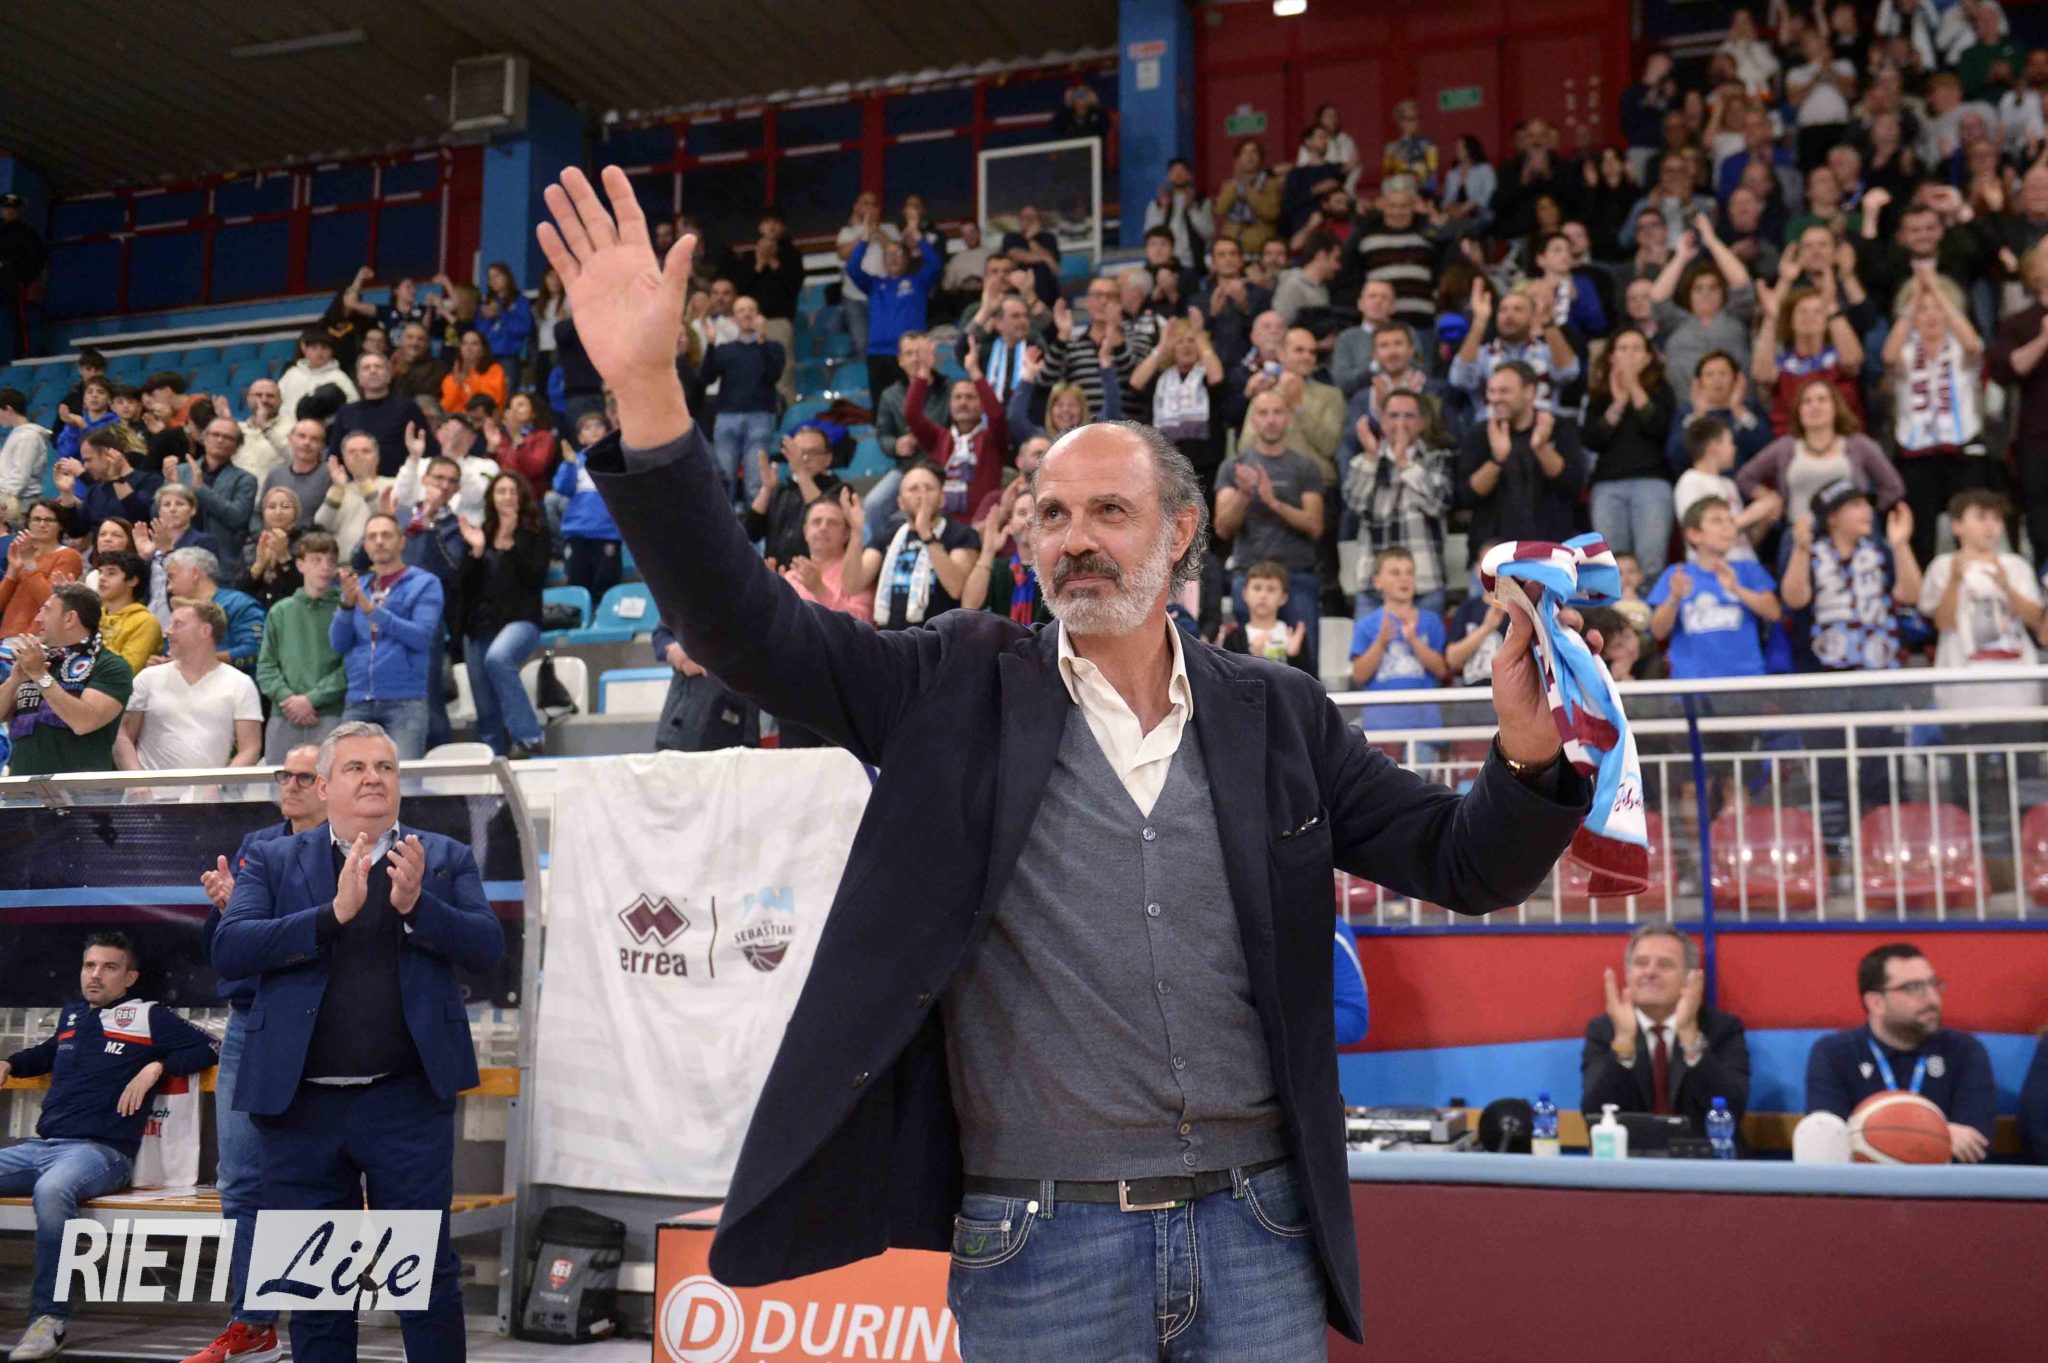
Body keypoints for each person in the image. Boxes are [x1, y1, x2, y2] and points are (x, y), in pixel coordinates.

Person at [535, 167, 1591, 1353]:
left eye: (1108, 513)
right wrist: (647, 391)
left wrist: (1524, 748)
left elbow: (1464, 862)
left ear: (1180, 534)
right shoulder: (953, 683)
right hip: (1038, 1246)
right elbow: (744, 629)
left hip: (1259, 1233)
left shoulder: (1278, 714)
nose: (1073, 539)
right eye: (1049, 514)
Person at [213, 722, 506, 1363]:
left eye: (385, 767)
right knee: (314, 1286)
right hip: (299, 1108)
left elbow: (488, 948)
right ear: (323, 786)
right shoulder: (273, 858)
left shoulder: (443, 857)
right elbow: (231, 948)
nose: (374, 777)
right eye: (355, 768)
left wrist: (417, 905)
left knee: (423, 1276)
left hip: (406, 1105)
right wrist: (331, 916)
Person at [0, 933, 219, 1362]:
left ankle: (48, 1319)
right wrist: (9, 1062)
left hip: (100, 1153)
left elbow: (210, 1047)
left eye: (109, 967)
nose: (95, 975)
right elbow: (47, 1053)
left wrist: (157, 1066)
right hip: (42, 1146)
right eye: (90, 966)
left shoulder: (148, 1015)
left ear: (129, 977)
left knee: (52, 1191)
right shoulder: (74, 1016)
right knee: (47, 1183)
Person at [189, 744, 324, 1363]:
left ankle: (323, 1325)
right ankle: (252, 1323)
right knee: (240, 1180)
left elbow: (322, 937)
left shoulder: (349, 851)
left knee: (317, 1179)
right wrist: (227, 910)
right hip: (252, 1020)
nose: (289, 785)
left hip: (322, 1027)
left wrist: (255, 925)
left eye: (303, 776)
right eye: (283, 774)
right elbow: (224, 948)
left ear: (329, 785)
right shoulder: (258, 845)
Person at [1805, 943, 1995, 1162]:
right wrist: (1937, 1136)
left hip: (1943, 1180)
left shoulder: (1965, 1051)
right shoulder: (1834, 1053)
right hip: (1862, 1180)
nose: (1932, 998)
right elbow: (1828, 1139)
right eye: (1914, 988)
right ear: (1876, 1003)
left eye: (1934, 984)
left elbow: (1974, 1143)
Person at [1580, 923, 1750, 1140]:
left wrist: (1690, 1038)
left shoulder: (1722, 1029)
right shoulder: (1604, 1030)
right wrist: (1623, 1043)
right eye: (1641, 963)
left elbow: (1732, 1111)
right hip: (1630, 1158)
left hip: (1704, 1157)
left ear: (1688, 979)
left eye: (1665, 964)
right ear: (1628, 975)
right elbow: (1593, 1116)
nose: (1650, 972)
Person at [1884, 261, 1992, 567]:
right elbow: (1888, 357)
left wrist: (1935, 290)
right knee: (1921, 538)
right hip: (1916, 454)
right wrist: (1915, 298)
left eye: (1938, 309)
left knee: (1970, 529)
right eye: (1922, 310)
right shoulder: (1906, 352)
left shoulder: (1960, 349)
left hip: (1962, 450)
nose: (1931, 315)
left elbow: (1973, 345)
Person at [1217, 389, 1325, 666]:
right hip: (1249, 576)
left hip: (1296, 575)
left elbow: (1315, 526)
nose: (1271, 419)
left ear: (1288, 418)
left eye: (1278, 412)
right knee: (1243, 666)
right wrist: (1243, 494)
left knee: (1306, 666)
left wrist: (1273, 502)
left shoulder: (1306, 467)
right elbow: (1222, 528)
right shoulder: (1233, 468)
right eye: (1263, 413)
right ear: (1253, 420)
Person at [331, 513, 444, 758]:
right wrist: (347, 606)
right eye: (372, 536)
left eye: (386, 535)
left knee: (403, 777)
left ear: (401, 541)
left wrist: (373, 611)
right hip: (358, 699)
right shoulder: (359, 586)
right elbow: (338, 643)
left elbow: (421, 637)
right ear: (365, 545)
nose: (379, 541)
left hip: (404, 701)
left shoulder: (424, 583)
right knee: (348, 774)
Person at [1920, 489, 2044, 711]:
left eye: (1996, 519)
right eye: (1981, 517)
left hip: (2018, 687)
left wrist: (2007, 588)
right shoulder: (1942, 566)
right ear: (1957, 525)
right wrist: (1954, 581)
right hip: (1962, 688)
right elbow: (1943, 623)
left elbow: (2036, 622)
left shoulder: (2016, 565)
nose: (1990, 526)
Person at [1779, 480, 1922, 673]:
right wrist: (1801, 550)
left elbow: (1910, 595)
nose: (1868, 510)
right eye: (1856, 505)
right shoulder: (1811, 554)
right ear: (1832, 517)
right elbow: (1795, 601)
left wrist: (1901, 545)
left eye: (1867, 504)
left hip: (1880, 668)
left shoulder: (1879, 551)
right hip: (1822, 671)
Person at [1735, 378, 1906, 537]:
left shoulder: (1858, 444)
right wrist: (1769, 498)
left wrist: (1864, 512)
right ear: (1798, 411)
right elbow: (1745, 478)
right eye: (1806, 401)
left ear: (1836, 407)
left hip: (1852, 537)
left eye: (1822, 400)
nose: (1814, 406)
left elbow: (1893, 488)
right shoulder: (1785, 447)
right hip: (1800, 535)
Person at [0, 583, 134, 774]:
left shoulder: (110, 666)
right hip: (22, 786)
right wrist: (14, 680)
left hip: (80, 788)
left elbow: (83, 722)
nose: (38, 618)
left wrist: (40, 676)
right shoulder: (41, 661)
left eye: (46, 611)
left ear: (70, 618)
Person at [114, 598, 262, 771]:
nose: (168, 631)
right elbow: (123, 735)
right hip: (149, 787)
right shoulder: (147, 678)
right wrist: (139, 780)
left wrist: (221, 783)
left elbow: (250, 748)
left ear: (205, 631)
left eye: (178, 624)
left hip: (211, 788)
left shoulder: (240, 684)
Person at [1648, 498, 1782, 679]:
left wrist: (1736, 589)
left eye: (1730, 520)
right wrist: (1674, 597)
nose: (1727, 527)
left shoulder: (1748, 569)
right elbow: (1658, 631)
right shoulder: (1677, 574)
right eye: (1716, 521)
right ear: (1694, 534)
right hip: (1692, 682)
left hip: (1745, 679)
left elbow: (1773, 612)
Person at [1345, 390, 1452, 616]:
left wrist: (1404, 464)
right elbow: (1356, 504)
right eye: (1393, 416)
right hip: (1373, 584)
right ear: (1382, 420)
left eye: (1408, 416)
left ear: (1422, 422)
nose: (1400, 423)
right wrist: (1372, 458)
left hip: (1425, 581)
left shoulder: (1437, 459)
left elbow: (1438, 503)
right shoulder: (1363, 462)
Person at [1455, 362, 1587, 545]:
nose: (1495, 399)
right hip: (1494, 550)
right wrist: (1497, 460)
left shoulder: (1560, 428)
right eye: (1491, 391)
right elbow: (1465, 496)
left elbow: (1573, 485)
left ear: (1529, 391)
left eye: (1504, 391)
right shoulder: (1479, 434)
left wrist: (1541, 448)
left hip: (1552, 547)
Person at [1583, 329, 1677, 577]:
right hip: (1607, 484)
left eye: (1636, 349)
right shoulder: (1600, 395)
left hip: (1652, 482)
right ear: (1611, 356)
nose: (1629, 355)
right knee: (1609, 564)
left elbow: (1660, 429)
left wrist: (1634, 388)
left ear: (1648, 357)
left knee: (1651, 560)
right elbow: (1591, 439)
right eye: (1623, 349)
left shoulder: (1661, 390)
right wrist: (1618, 403)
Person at [256, 532, 348, 763]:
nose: (325, 567)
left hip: (330, 713)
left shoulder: (346, 609)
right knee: (279, 780)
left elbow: (351, 666)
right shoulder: (280, 611)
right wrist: (288, 698)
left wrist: (312, 699)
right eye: (316, 560)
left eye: (331, 561)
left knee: (330, 778)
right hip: (284, 713)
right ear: (300, 565)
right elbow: (266, 666)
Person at [905, 336, 1010, 525]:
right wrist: (923, 372)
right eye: (958, 397)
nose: (963, 402)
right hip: (942, 525)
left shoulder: (992, 438)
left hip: (982, 525)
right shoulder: (938, 438)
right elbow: (911, 415)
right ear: (950, 404)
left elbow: (996, 416)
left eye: (970, 397)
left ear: (982, 405)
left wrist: (975, 372)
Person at [1348, 547, 1448, 735]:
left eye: (1409, 572)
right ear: (1377, 582)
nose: (1404, 579)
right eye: (1395, 573)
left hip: (1424, 726)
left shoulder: (1431, 621)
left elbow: (1442, 670)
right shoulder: (1366, 625)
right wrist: (1381, 642)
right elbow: (1359, 676)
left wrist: (1414, 640)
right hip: (1380, 728)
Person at [846, 209, 943, 399]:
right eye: (888, 254)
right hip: (878, 355)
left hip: (912, 354)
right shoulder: (874, 284)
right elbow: (853, 268)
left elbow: (935, 264)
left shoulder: (918, 282)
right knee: (882, 408)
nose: (893, 258)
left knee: (917, 405)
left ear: (907, 259)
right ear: (883, 260)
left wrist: (917, 236)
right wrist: (865, 238)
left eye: (898, 253)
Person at [701, 295, 786, 508]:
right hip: (726, 417)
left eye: (751, 310)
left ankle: (755, 525)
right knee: (723, 480)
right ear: (734, 318)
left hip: (760, 415)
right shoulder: (725, 350)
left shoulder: (773, 347)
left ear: (759, 315)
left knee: (755, 483)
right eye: (741, 310)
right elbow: (706, 377)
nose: (747, 314)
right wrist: (710, 344)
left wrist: (762, 339)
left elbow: (773, 374)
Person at [1673, 418, 1769, 560]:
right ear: (1714, 447)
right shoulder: (1690, 482)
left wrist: (1764, 520)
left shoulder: (1729, 484)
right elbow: (1700, 530)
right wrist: (1754, 512)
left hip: (1747, 561)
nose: (1734, 449)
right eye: (1730, 443)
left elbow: (1744, 539)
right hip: (1715, 566)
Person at [160, 546, 265, 675]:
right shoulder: (180, 612)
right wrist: (161, 661)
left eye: (172, 577)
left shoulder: (240, 604)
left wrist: (202, 660)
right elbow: (170, 651)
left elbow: (256, 650)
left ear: (195, 573)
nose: (169, 588)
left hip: (232, 683)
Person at [747, 428, 843, 567]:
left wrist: (800, 471)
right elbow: (751, 533)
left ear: (828, 458)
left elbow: (820, 511)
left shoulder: (839, 490)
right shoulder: (782, 490)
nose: (805, 458)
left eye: (813, 452)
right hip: (778, 573)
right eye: (799, 453)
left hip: (818, 573)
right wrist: (766, 490)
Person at [554, 411, 625, 600]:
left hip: (606, 533)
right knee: (576, 584)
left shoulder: (615, 460)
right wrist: (569, 464)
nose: (593, 430)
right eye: (587, 427)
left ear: (607, 432)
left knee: (607, 585)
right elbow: (562, 488)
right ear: (580, 438)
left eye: (598, 425)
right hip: (577, 533)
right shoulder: (573, 461)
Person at [328, 350, 430, 477]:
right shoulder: (346, 412)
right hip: (356, 482)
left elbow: (428, 448)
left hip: (399, 481)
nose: (373, 371)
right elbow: (334, 456)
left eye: (378, 367)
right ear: (358, 378)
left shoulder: (407, 407)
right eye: (366, 368)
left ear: (389, 375)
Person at [0, 500, 82, 639]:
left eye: (49, 520)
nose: (42, 524)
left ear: (60, 525)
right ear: (28, 523)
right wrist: (12, 572)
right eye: (36, 519)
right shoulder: (22, 552)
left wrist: (29, 564)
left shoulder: (69, 556)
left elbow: (51, 601)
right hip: (7, 636)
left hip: (40, 637)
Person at [1220, 560, 1308, 670]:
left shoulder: (1293, 635)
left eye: (1271, 590)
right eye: (1257, 588)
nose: (1263, 595)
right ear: (1245, 594)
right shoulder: (1234, 637)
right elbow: (1228, 676)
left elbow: (1310, 677)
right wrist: (1253, 655)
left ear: (1283, 597)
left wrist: (1294, 657)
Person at [91, 550, 162, 675]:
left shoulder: (145, 622)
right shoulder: (92, 615)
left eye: (111, 573)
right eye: (100, 572)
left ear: (132, 581)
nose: (101, 578)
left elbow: (127, 670)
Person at [238, 486, 305, 610]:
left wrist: (284, 558)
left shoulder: (306, 544)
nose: (278, 512)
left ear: (296, 511)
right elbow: (239, 592)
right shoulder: (252, 544)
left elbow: (304, 589)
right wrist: (259, 566)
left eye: (285, 506)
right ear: (263, 512)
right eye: (272, 507)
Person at [1144, 158, 1216, 275]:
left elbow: (1208, 232)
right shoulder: (1156, 204)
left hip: (1192, 263)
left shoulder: (1202, 202)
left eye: (1182, 171)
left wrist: (1191, 209)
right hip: (1164, 263)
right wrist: (1163, 209)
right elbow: (1150, 233)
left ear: (1190, 175)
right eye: (1174, 171)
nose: (1178, 174)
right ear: (1168, 176)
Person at [261, 418, 332, 530]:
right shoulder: (275, 475)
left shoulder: (331, 476)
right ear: (290, 439)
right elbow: (259, 512)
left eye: (314, 439)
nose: (306, 443)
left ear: (322, 446)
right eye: (302, 436)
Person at [277, 330, 359, 422]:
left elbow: (353, 405)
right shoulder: (292, 374)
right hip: (288, 427)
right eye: (314, 347)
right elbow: (277, 400)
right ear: (304, 349)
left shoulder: (339, 377)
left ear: (331, 351)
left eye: (324, 348)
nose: (319, 352)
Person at [0, 388, 50, 523]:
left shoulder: (28, 436)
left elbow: (21, 474)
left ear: (8, 409)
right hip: (12, 501)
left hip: (22, 504)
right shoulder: (17, 433)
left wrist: (4, 500)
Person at [438, 329, 507, 416]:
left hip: (486, 418)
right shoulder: (451, 378)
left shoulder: (495, 370)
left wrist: (472, 380)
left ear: (483, 350)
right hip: (458, 419)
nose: (468, 348)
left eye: (474, 344)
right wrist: (457, 385)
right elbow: (444, 408)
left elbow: (493, 401)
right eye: (465, 343)